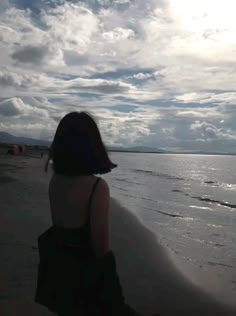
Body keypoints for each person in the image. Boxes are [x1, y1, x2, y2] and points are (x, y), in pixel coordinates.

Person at [35, 111, 143, 316]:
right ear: (93, 146)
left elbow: (59, 223)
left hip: (58, 270)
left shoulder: (55, 181)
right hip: (85, 276)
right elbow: (100, 247)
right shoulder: (97, 187)